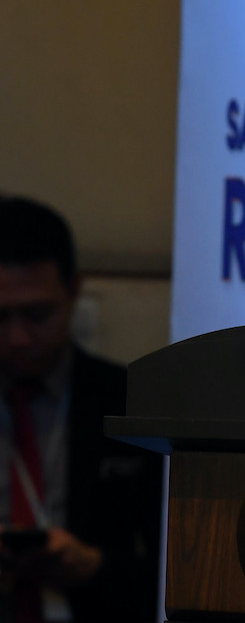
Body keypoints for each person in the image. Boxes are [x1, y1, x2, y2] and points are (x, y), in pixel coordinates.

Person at [0, 196, 163, 621]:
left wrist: (94, 566)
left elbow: (176, 568)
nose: (18, 338)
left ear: (74, 290)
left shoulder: (130, 401)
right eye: (0, 317)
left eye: (37, 314)